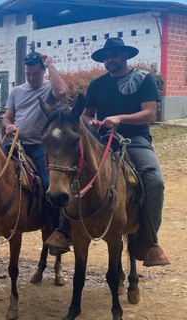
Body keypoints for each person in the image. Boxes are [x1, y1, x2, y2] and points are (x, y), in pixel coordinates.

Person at [82, 37, 170, 266]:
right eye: (106, 56)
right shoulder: (97, 85)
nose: (109, 59)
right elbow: (86, 114)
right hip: (102, 140)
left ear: (125, 56)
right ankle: (64, 229)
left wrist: (119, 118)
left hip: (135, 138)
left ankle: (148, 241)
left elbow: (150, 113)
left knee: (154, 181)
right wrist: (91, 122)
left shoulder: (143, 79)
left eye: (114, 55)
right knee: (72, 170)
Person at [1, 51, 70, 253]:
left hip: (39, 146)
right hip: (15, 143)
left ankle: (58, 230)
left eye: (35, 74)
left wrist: (51, 65)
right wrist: (8, 126)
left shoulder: (50, 87)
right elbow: (7, 117)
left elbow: (62, 94)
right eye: (28, 74)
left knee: (49, 184)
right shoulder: (16, 91)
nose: (31, 78)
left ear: (43, 71)